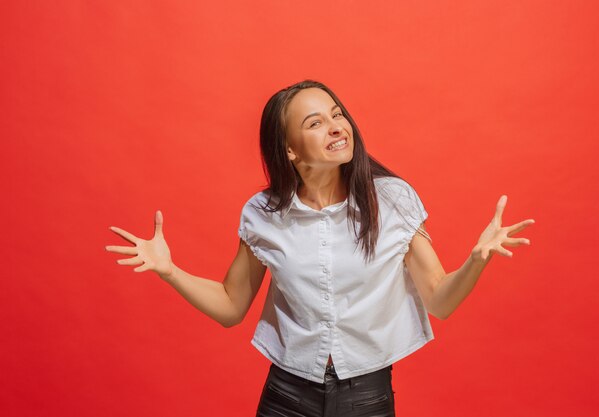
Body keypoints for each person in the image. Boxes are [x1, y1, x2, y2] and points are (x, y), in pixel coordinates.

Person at [105, 79, 535, 416]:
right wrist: (169, 270)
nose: (335, 126)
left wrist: (477, 261)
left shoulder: (392, 200)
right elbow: (231, 306)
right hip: (286, 395)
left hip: (366, 398)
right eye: (314, 123)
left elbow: (440, 300)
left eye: (337, 114)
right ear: (290, 149)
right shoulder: (264, 214)